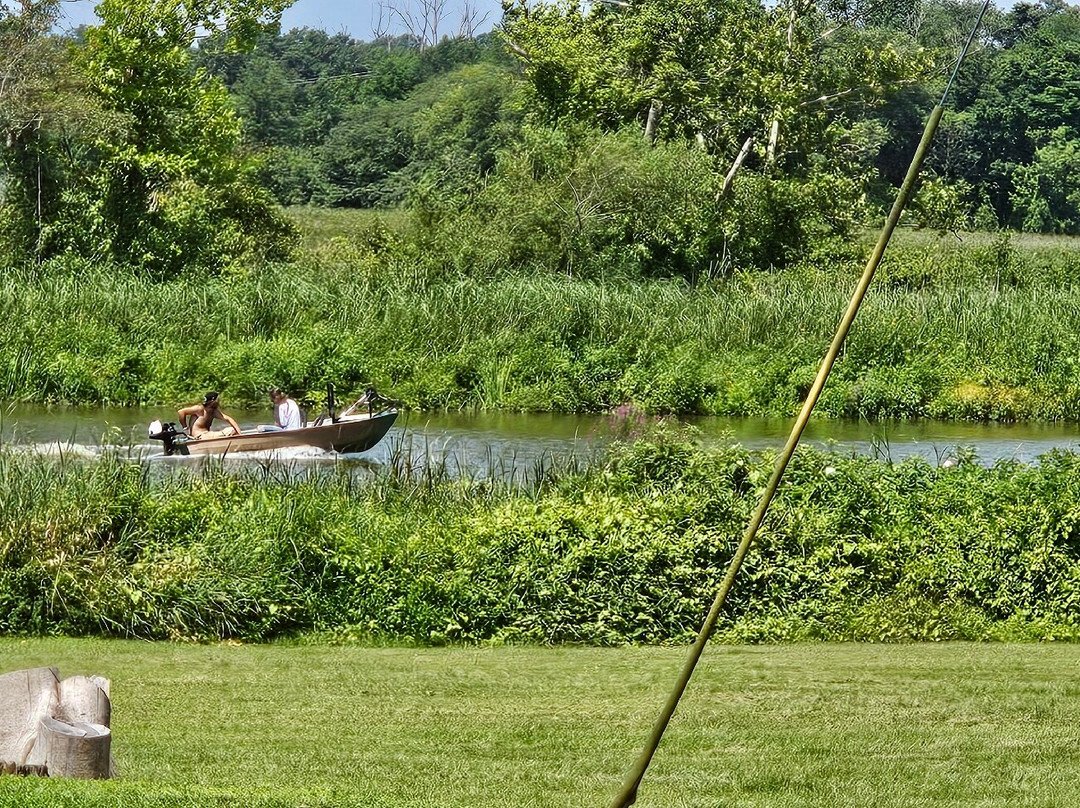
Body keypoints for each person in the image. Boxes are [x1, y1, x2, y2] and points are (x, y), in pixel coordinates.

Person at [177, 391, 242, 439]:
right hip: (200, 436)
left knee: (232, 430)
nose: (219, 402)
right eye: (218, 400)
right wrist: (185, 428)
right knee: (231, 431)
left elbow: (228, 419)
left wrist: (239, 433)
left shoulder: (214, 411)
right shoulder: (200, 409)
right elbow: (181, 412)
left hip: (208, 434)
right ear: (213, 401)